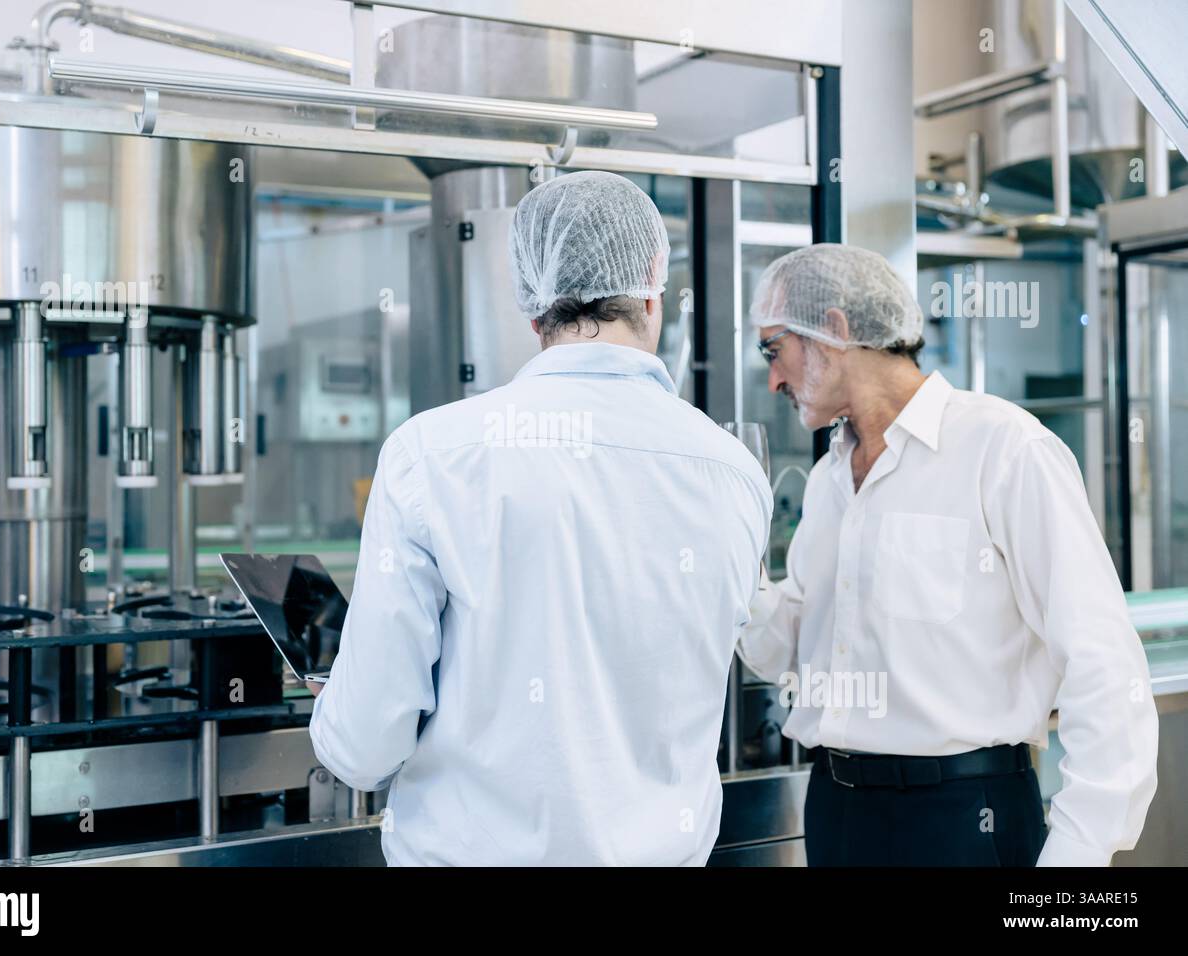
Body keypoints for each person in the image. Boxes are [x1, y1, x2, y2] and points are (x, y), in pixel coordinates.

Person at [309, 171, 773, 865]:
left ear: (529, 304)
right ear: (654, 283)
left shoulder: (431, 454)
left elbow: (365, 745)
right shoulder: (733, 470)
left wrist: (339, 697)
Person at [738, 243, 1158, 866]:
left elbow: (1104, 664)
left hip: (964, 820)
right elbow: (784, 650)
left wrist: (1076, 857)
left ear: (833, 329)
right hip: (836, 814)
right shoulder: (829, 478)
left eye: (774, 349)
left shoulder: (1004, 449)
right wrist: (729, 559)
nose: (772, 378)